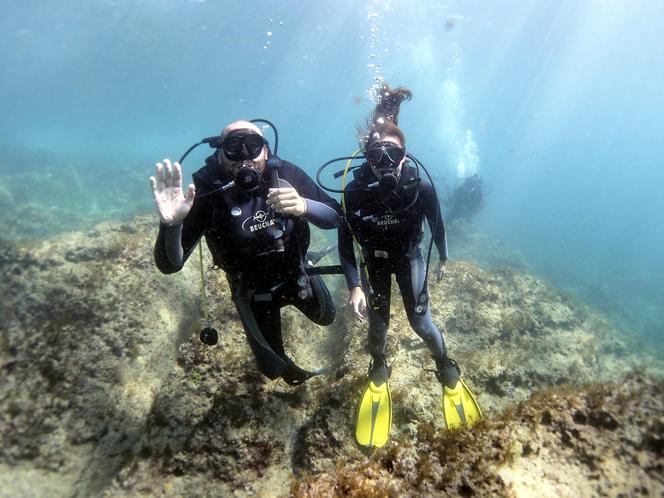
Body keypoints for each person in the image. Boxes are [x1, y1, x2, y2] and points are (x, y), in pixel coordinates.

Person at [337, 85, 482, 448]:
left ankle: (446, 365)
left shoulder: (420, 188)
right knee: (379, 324)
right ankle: (379, 365)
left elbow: (437, 225)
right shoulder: (354, 191)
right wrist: (354, 284)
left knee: (420, 322)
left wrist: (444, 256)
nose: (384, 164)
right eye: (376, 156)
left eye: (393, 154)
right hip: (375, 263)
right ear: (366, 156)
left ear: (405, 154)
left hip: (408, 259)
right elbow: (344, 240)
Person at [150, 119, 341, 386]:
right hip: (252, 292)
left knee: (327, 317)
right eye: (232, 148)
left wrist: (304, 205)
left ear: (266, 150)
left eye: (252, 146)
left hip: (296, 274)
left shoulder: (285, 175)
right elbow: (170, 265)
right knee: (273, 369)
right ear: (219, 152)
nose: (244, 157)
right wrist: (171, 224)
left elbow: (335, 218)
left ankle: (308, 265)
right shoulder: (208, 194)